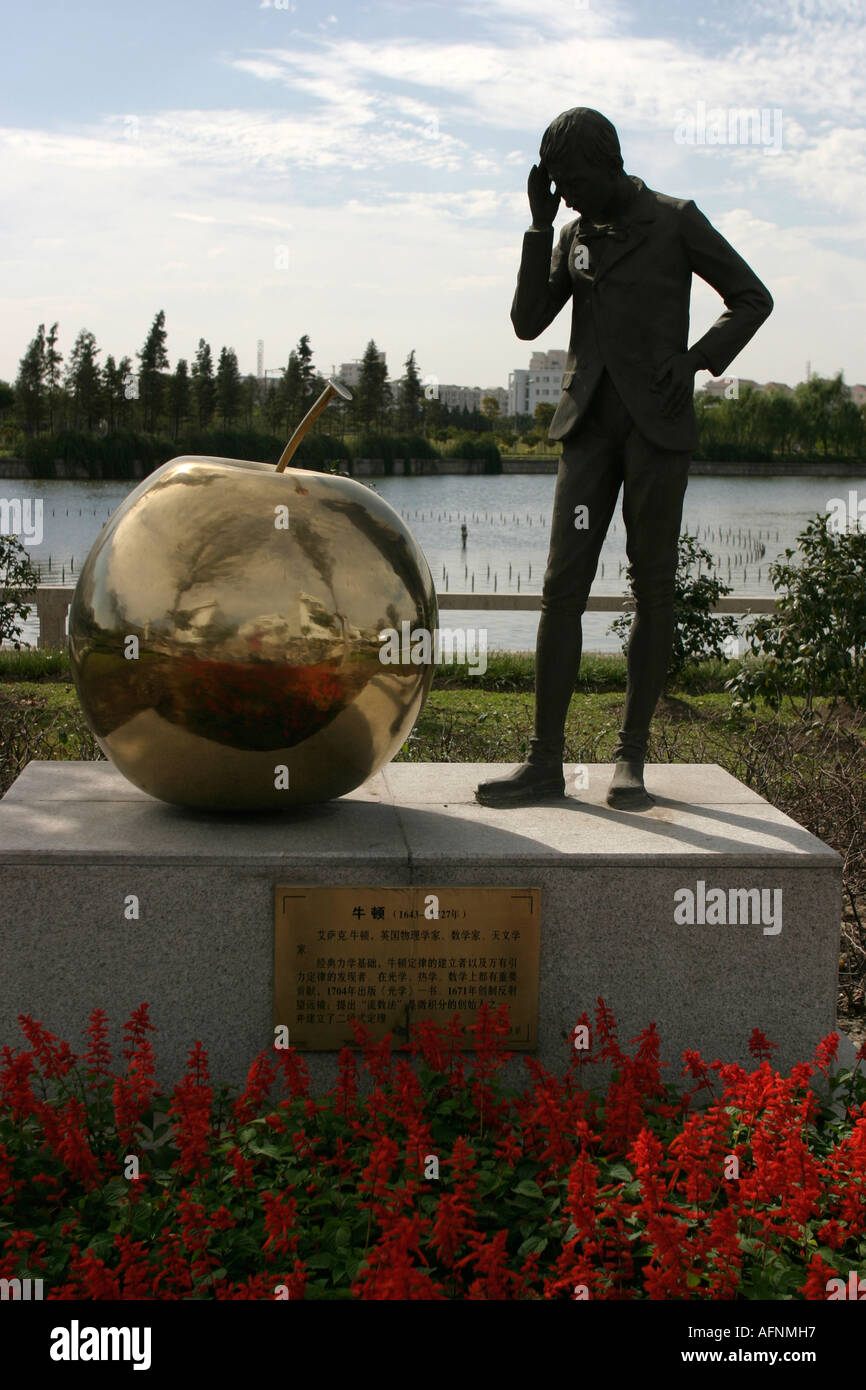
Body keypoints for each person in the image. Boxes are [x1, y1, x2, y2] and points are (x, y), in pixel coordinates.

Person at [476, 107, 773, 811]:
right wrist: (540, 226)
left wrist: (698, 360)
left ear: (608, 164)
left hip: (656, 430)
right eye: (558, 184)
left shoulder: (676, 220)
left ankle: (630, 760)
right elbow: (527, 324)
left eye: (572, 181)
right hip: (588, 429)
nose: (567, 193)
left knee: (654, 588)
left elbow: (751, 298)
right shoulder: (572, 231)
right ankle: (544, 762)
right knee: (561, 590)